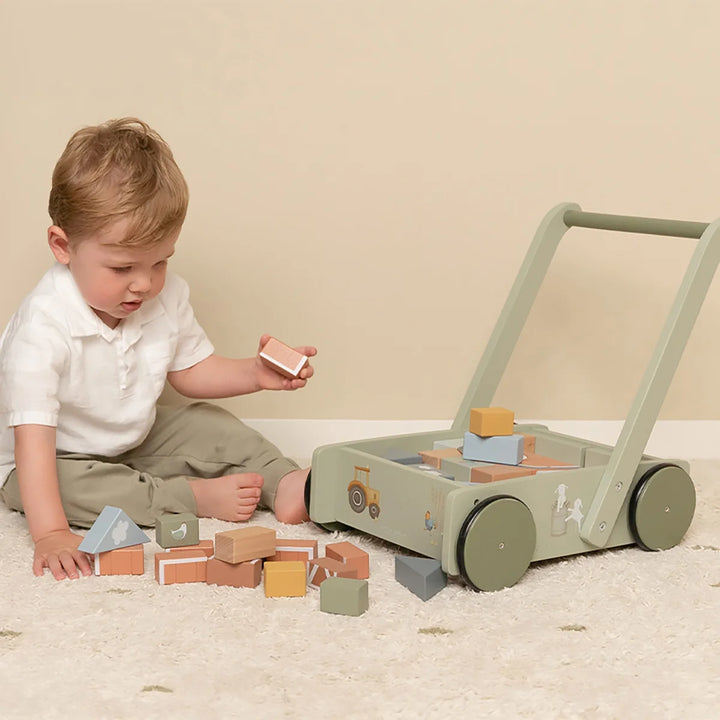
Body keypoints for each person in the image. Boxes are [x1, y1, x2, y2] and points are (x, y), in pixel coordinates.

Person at [0, 117, 316, 582]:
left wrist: (255, 374)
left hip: (135, 436)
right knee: (64, 490)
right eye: (122, 266)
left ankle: (283, 481)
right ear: (63, 246)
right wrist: (50, 533)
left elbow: (193, 372)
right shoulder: (42, 328)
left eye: (160, 261)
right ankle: (191, 496)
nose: (144, 283)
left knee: (208, 424)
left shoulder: (163, 298)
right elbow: (32, 439)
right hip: (50, 457)